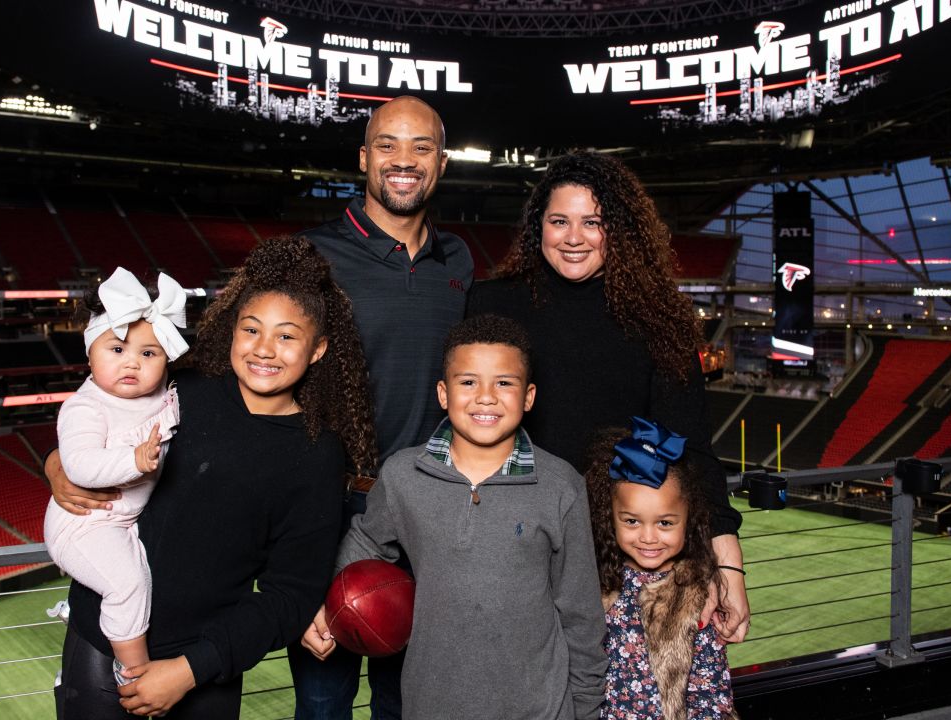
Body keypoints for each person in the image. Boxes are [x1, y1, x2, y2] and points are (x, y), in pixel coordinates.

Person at [49, 236, 378, 719]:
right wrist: (54, 464)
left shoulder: (317, 454)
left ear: (318, 349)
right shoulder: (181, 390)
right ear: (232, 331)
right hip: (101, 646)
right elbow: (92, 413)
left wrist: (188, 669)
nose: (265, 349)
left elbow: (291, 595)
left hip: (202, 669)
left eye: (286, 336)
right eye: (251, 329)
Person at [465, 150, 750, 643]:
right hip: (508, 547)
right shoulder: (492, 303)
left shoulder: (660, 320)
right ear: (539, 228)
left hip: (620, 563)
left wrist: (730, 567)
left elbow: (691, 448)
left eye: (592, 222)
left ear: (618, 231)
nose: (573, 238)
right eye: (559, 221)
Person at [304, 315, 608, 720]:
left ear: (529, 396)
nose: (486, 396)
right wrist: (325, 607)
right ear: (443, 394)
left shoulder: (561, 486)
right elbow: (361, 545)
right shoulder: (402, 475)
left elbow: (581, 615)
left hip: (539, 708)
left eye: (504, 382)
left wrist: (586, 710)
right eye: (468, 382)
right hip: (430, 704)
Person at [294, 95, 475, 719]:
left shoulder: (459, 260)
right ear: (365, 157)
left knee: (412, 702)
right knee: (324, 702)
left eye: (421, 147)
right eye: (389, 146)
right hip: (330, 507)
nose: (405, 161)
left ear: (442, 163)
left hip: (430, 510)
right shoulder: (311, 256)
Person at [44, 267, 189, 686]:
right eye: (117, 349)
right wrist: (135, 461)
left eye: (149, 353)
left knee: (141, 578)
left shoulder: (161, 394)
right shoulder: (86, 406)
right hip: (84, 523)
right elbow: (81, 466)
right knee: (127, 585)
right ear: (90, 353)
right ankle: (134, 672)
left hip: (123, 522)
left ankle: (103, 622)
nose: (132, 363)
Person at [586, 418, 739, 720]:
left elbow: (711, 695)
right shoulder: (595, 585)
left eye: (665, 523)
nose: (648, 536)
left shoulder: (700, 595)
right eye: (631, 521)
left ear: (689, 518)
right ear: (610, 518)